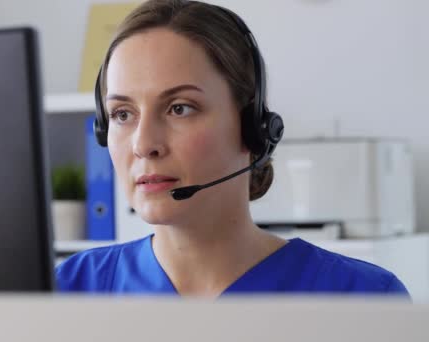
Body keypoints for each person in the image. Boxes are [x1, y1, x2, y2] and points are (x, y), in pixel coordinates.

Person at [56, 0, 408, 297]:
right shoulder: (68, 290)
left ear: (252, 127)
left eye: (180, 108)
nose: (144, 144)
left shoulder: (361, 298)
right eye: (122, 114)